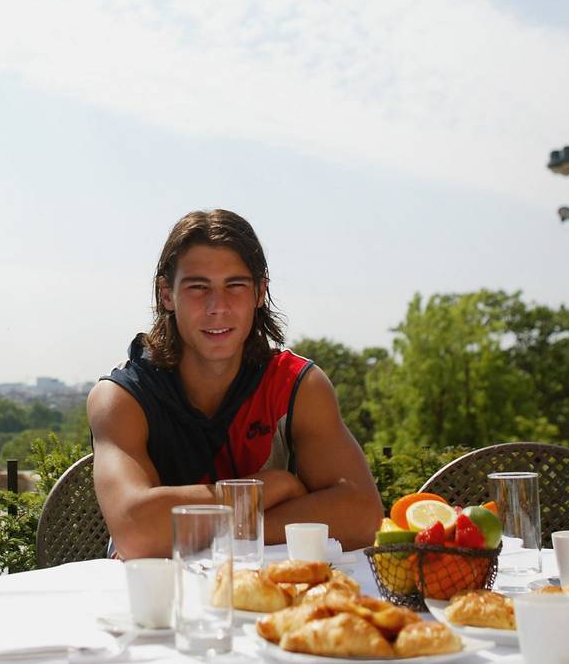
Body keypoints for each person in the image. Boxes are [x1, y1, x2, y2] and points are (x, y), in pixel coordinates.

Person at [89, 209, 383, 559]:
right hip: (158, 591)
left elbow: (362, 516)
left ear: (260, 292)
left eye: (235, 286)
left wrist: (228, 529)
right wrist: (265, 489)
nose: (218, 307)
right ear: (167, 294)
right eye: (198, 287)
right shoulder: (122, 397)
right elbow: (137, 533)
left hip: (272, 589)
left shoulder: (297, 386)